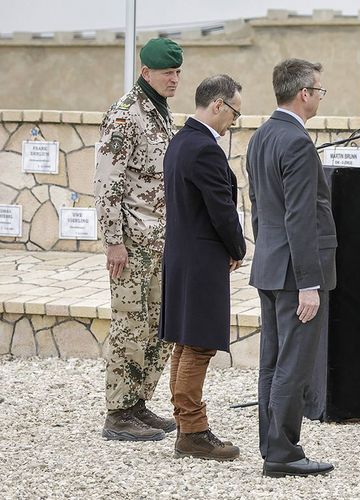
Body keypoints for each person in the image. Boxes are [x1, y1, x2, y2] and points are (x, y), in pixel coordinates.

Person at [246, 58, 336, 477]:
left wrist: (266, 255)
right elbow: (300, 216)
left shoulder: (262, 135)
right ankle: (282, 451)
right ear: (303, 94)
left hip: (270, 265)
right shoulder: (296, 142)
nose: (320, 96)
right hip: (294, 274)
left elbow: (260, 211)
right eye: (319, 90)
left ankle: (271, 444)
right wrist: (308, 284)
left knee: (272, 361)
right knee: (293, 362)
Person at [94, 37, 182, 441]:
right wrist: (113, 240)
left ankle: (138, 403)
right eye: (167, 72)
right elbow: (107, 183)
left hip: (161, 241)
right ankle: (118, 412)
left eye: (178, 72)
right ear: (146, 71)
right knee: (130, 326)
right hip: (132, 242)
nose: (174, 79)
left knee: (157, 328)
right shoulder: (126, 115)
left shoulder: (160, 113)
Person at [159, 74, 246, 460]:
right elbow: (221, 209)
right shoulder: (204, 148)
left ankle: (185, 424)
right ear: (218, 105)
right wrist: (237, 247)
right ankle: (193, 431)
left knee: (186, 342)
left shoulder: (180, 142)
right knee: (199, 345)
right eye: (234, 112)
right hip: (201, 260)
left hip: (182, 256)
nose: (234, 121)